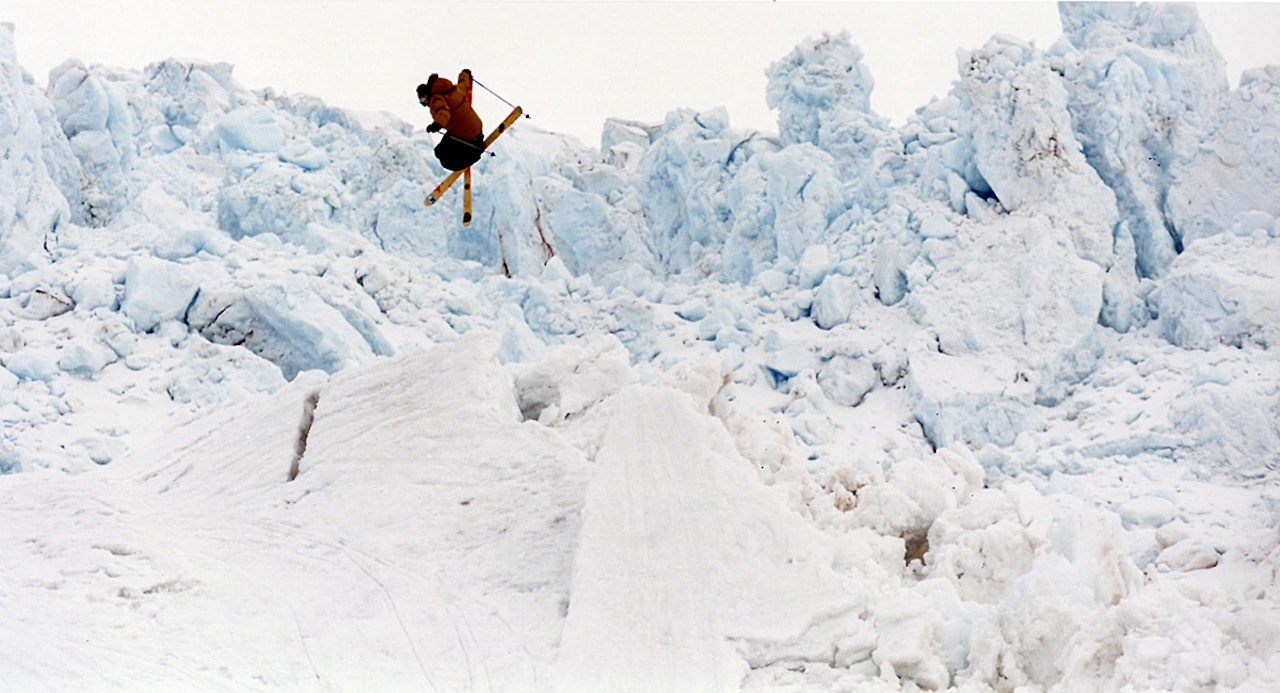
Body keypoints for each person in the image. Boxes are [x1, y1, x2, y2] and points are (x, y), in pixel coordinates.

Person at [417, 70, 485, 171]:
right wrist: (465, 74)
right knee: (442, 146)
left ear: (426, 95)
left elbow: (443, 112)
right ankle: (473, 149)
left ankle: (474, 154)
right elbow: (464, 85)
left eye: (422, 99)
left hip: (467, 136)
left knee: (444, 157)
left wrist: (437, 124)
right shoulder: (453, 90)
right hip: (477, 130)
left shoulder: (435, 100)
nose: (424, 102)